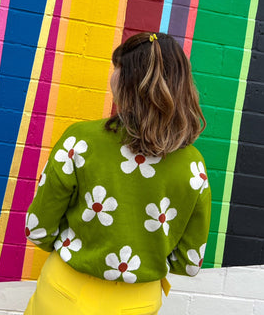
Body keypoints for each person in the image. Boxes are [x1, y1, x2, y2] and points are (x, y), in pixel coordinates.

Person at [24, 32, 211, 315]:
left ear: (127, 83)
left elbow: (38, 228)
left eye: (118, 68)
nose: (112, 75)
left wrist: (83, 246)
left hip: (65, 294)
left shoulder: (80, 141)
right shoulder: (193, 166)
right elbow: (189, 262)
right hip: (139, 303)